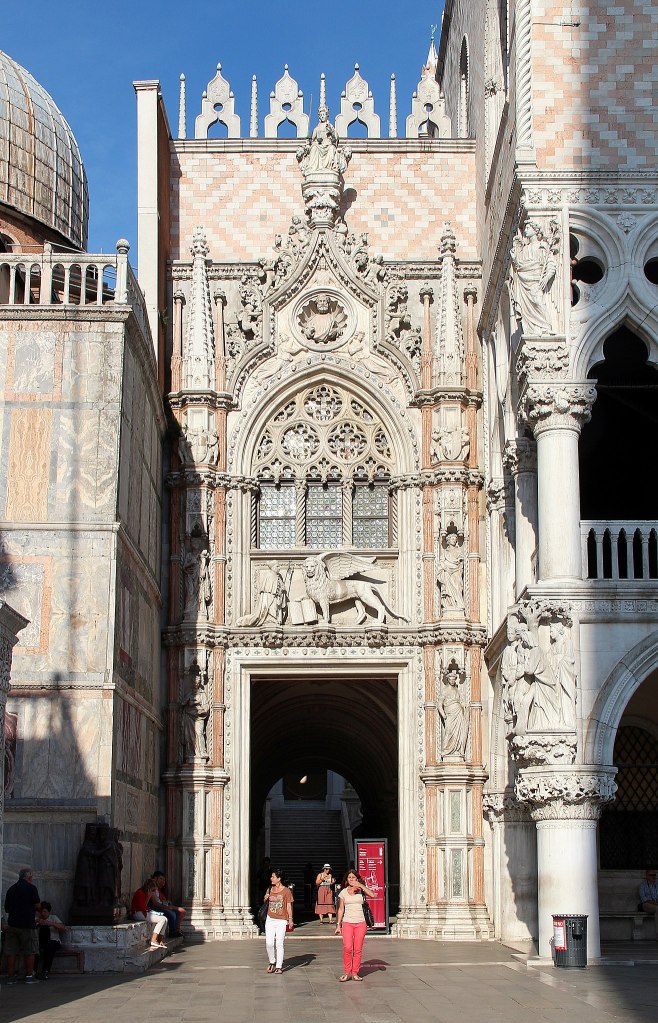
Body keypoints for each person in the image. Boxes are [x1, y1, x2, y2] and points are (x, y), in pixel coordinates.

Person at [334, 869, 375, 982]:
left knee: (357, 949)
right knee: (347, 947)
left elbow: (372, 894)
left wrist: (360, 885)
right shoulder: (343, 892)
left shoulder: (361, 890)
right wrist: (338, 925)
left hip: (360, 923)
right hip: (347, 922)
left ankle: (355, 972)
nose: (351, 879)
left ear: (357, 878)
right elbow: (341, 909)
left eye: (353, 877)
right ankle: (347, 972)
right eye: (349, 877)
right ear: (346, 880)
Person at [4, 866, 41, 984]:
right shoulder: (31, 888)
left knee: (11, 952)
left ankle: (10, 977)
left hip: (12, 924)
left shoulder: (11, 889)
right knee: (30, 951)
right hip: (27, 924)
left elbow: (7, 908)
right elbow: (37, 905)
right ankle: (29, 976)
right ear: (29, 877)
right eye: (31, 877)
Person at [264, 868, 293, 974]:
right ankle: (272, 961)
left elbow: (289, 905)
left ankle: (279, 966)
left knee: (279, 943)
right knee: (269, 943)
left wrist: (290, 919)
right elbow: (265, 901)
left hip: (281, 920)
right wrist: (266, 897)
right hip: (270, 919)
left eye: (273, 877)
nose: (271, 878)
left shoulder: (286, 891)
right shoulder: (269, 889)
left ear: (279, 878)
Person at [130, 879, 168, 947]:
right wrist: (148, 897)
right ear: (149, 888)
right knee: (162, 919)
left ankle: (159, 940)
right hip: (138, 913)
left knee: (165, 919)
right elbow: (142, 907)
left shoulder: (145, 893)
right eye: (153, 890)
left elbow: (144, 906)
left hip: (143, 911)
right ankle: (153, 939)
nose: (153, 892)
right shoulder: (140, 892)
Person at [150, 871, 186, 937]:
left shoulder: (159, 890)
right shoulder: (152, 889)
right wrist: (166, 907)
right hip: (155, 908)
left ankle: (177, 930)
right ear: (155, 878)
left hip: (161, 906)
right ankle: (172, 932)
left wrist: (166, 903)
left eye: (164, 880)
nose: (163, 882)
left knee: (177, 913)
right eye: (160, 879)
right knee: (172, 914)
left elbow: (160, 900)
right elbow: (155, 903)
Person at [36, 901, 65, 978]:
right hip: (40, 941)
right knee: (34, 949)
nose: (42, 913)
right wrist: (38, 922)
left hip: (53, 941)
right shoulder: (37, 919)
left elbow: (62, 928)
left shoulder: (53, 918)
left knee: (49, 948)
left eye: (44, 911)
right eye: (41, 912)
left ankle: (45, 971)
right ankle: (33, 971)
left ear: (48, 912)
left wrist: (51, 923)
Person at [639, 868, 658, 937]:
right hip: (646, 905)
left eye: (654, 875)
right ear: (647, 876)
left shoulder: (657, 885)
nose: (653, 876)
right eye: (651, 875)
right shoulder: (643, 885)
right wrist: (655, 903)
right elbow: (644, 899)